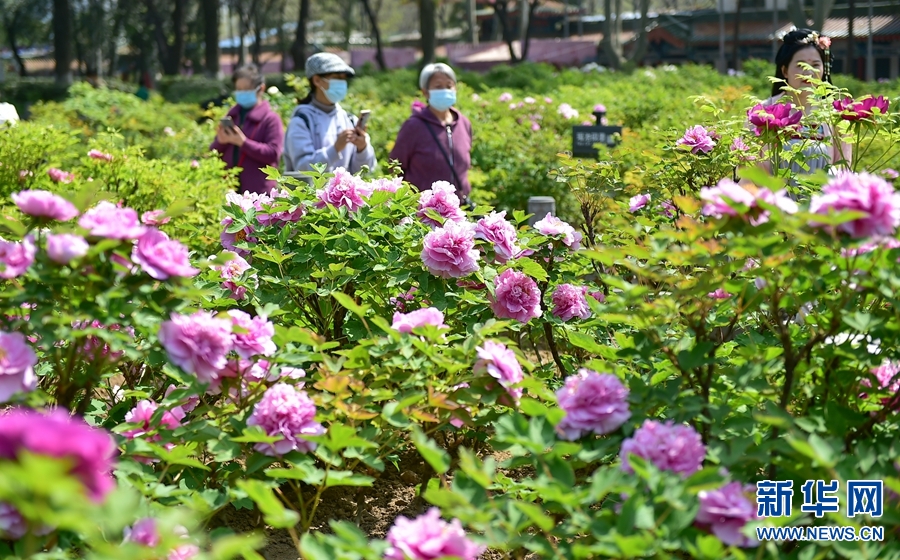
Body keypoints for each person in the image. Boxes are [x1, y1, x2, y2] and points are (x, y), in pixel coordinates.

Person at [759, 28, 851, 176]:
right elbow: (748, 168)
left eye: (815, 65)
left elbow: (844, 169)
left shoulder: (836, 116)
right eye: (801, 65)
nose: (808, 72)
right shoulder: (762, 111)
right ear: (785, 71)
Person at [390, 63, 474, 207]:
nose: (445, 90)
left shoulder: (464, 123)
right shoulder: (414, 126)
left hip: (458, 211)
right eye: (438, 86)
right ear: (425, 92)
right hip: (423, 214)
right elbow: (395, 167)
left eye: (449, 86)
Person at [283, 53, 375, 175]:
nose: (342, 83)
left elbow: (363, 172)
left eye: (344, 79)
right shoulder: (302, 120)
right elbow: (302, 168)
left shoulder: (348, 119)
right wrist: (335, 149)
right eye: (337, 77)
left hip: (343, 194)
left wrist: (362, 148)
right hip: (312, 194)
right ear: (317, 80)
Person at [210, 64, 284, 195]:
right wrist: (220, 142)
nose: (242, 93)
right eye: (239, 89)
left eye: (246, 89)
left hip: (259, 193)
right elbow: (212, 153)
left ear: (260, 89)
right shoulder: (232, 116)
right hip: (229, 191)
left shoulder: (270, 119)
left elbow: (273, 154)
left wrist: (243, 142)